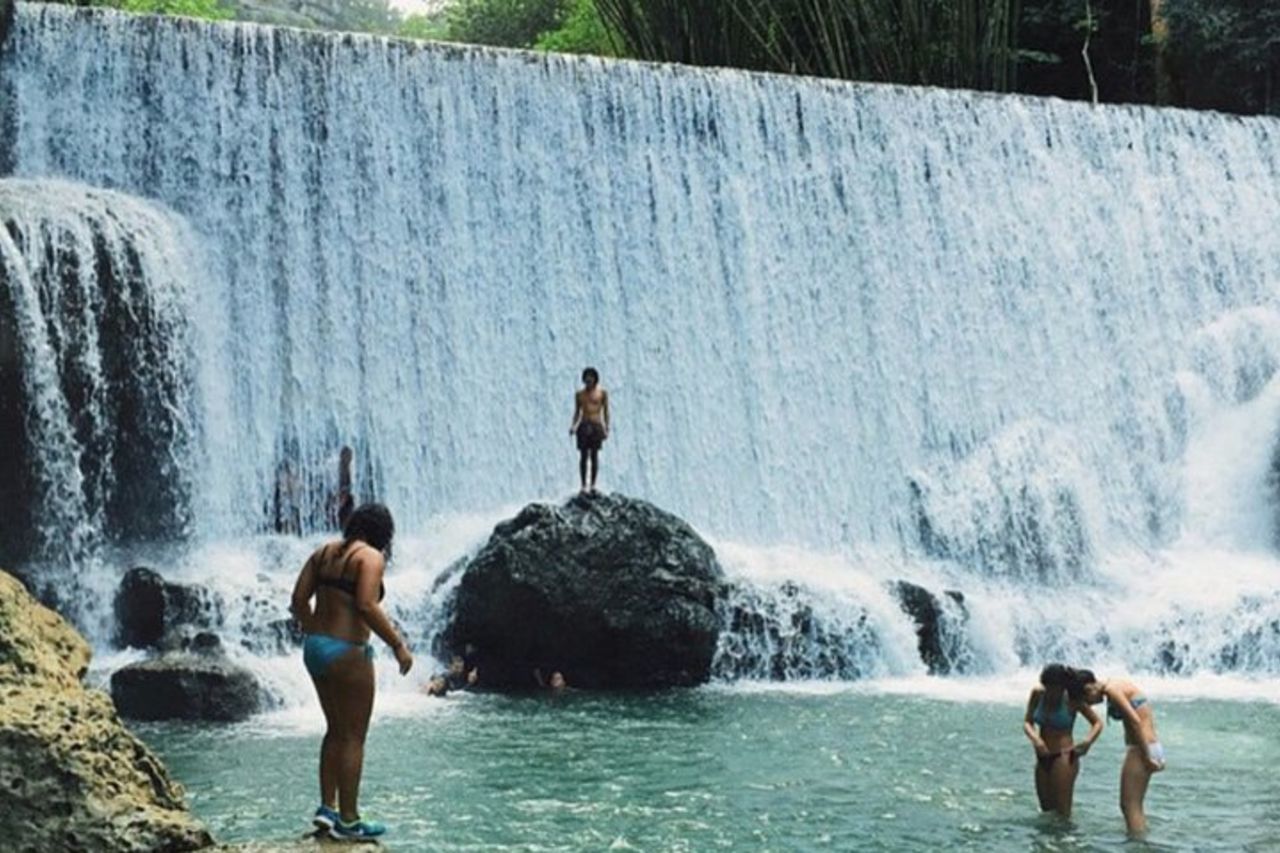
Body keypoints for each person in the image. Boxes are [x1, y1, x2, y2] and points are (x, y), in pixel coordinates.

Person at [290, 503, 413, 840]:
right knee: (354, 737)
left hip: (315, 648)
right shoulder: (370, 557)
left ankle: (326, 809)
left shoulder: (322, 553)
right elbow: (366, 605)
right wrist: (397, 645)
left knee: (334, 730)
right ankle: (349, 820)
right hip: (348, 652)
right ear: (383, 533)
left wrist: (314, 628)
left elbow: (298, 600)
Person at [1077, 671, 1166, 835]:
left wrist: (1147, 757)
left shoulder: (1112, 689)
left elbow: (1135, 721)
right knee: (1135, 805)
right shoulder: (1116, 684)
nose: (1090, 705)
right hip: (1149, 745)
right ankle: (1139, 841)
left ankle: (1137, 845)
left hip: (1141, 748)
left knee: (1129, 805)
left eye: (1086, 700)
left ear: (1090, 688)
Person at [1022, 663, 1103, 818]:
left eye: (1056, 689)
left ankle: (1067, 841)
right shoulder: (1038, 694)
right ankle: (1046, 842)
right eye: (1048, 688)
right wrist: (1036, 740)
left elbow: (1097, 723)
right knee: (1045, 810)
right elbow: (1027, 722)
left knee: (1062, 811)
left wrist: (1087, 742)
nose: (1052, 693)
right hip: (1042, 756)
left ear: (1063, 687)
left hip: (1064, 757)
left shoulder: (1072, 700)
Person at [569, 367, 610, 493]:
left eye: (591, 377)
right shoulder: (579, 395)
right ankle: (583, 485)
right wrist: (573, 425)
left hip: (596, 425)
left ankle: (592, 484)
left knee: (594, 456)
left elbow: (606, 411)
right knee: (583, 456)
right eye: (586, 377)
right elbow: (577, 412)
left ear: (595, 379)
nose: (588, 380)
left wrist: (607, 427)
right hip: (584, 424)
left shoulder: (602, 393)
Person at [326, 445, 355, 531]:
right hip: (334, 493)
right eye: (348, 457)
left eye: (350, 458)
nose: (349, 460)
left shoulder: (351, 466)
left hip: (345, 494)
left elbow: (349, 484)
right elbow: (332, 484)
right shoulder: (333, 466)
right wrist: (338, 496)